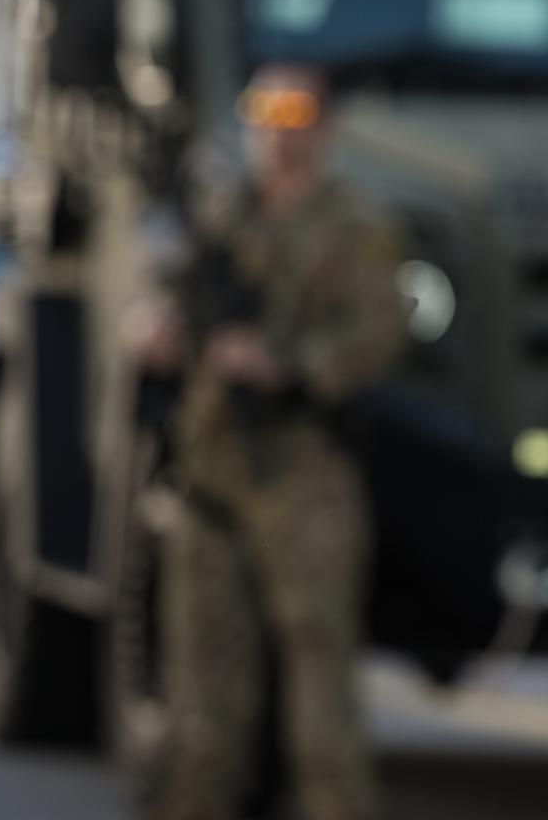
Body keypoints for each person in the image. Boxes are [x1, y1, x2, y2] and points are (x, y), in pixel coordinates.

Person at [133, 63, 406, 820]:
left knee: (320, 702)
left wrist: (287, 366)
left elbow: (382, 331)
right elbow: (167, 292)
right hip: (209, 476)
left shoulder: (355, 226)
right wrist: (156, 329)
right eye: (265, 115)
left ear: (324, 130)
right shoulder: (219, 220)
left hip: (302, 474)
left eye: (297, 117)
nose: (279, 136)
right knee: (203, 696)